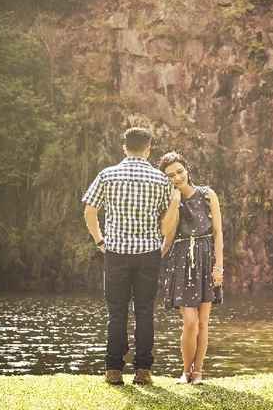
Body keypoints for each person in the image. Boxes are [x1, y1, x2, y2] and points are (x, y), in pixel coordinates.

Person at [82, 127, 176, 385]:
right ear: (148, 148)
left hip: (116, 253)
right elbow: (171, 217)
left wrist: (100, 240)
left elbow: (90, 211)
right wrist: (163, 244)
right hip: (149, 253)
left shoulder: (107, 175)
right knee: (145, 311)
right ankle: (143, 371)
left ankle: (113, 370)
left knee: (116, 312)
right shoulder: (160, 180)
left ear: (124, 147)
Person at [158, 151, 224, 385]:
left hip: (206, 258)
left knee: (204, 322)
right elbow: (167, 234)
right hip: (182, 261)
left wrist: (219, 266)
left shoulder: (208, 195)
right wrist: (175, 203)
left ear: (187, 169)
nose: (176, 177)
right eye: (170, 175)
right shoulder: (168, 202)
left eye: (179, 171)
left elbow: (217, 233)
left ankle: (198, 372)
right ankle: (186, 371)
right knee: (190, 321)